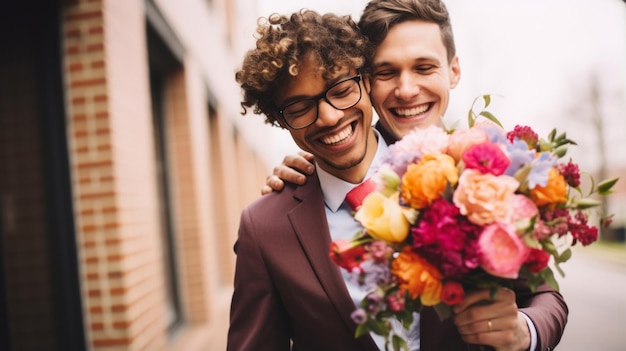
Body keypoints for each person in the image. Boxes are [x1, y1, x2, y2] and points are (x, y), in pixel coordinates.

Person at [258, 1, 568, 351]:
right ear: (366, 80)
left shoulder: (487, 174)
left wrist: (523, 331)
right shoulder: (295, 195)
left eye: (424, 67)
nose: (406, 90)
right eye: (386, 72)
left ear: (453, 70)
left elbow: (545, 296)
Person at [228, 9, 385, 350]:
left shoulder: (453, 171)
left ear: (368, 81)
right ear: (280, 120)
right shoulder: (263, 228)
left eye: (341, 89)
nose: (329, 117)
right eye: (299, 107)